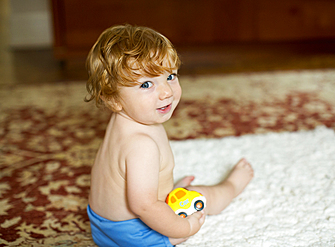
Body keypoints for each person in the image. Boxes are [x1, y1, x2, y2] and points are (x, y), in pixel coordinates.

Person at [85, 24, 254, 246]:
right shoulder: (141, 145)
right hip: (135, 236)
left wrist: (163, 190)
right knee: (198, 196)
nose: (166, 91)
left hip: (101, 226)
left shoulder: (124, 121)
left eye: (171, 76)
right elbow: (143, 206)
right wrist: (185, 227)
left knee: (170, 195)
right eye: (146, 84)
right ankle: (231, 187)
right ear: (114, 99)